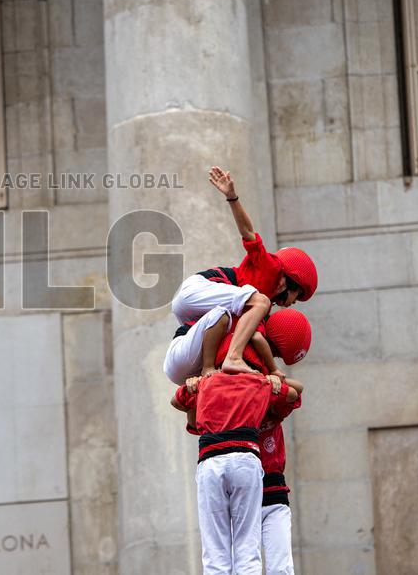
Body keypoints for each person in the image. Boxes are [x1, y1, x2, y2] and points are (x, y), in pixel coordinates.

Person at [175, 309, 310, 574]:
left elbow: (295, 391)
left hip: (269, 488)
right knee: (242, 557)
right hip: (247, 470)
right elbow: (193, 423)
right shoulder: (242, 384)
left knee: (238, 560)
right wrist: (267, 374)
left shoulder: (250, 384)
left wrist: (269, 375)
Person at [164, 166, 317, 383]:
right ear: (290, 281)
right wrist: (232, 197)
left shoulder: (257, 310)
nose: (293, 303)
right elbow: (247, 232)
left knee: (227, 329)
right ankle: (233, 358)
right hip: (196, 290)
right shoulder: (270, 268)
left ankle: (210, 369)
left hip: (191, 333)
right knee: (260, 302)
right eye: (297, 295)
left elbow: (253, 336)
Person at [172, 371, 300, 574]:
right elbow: (190, 414)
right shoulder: (223, 395)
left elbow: (296, 391)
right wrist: (195, 383)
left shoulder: (262, 391)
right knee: (237, 557)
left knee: (279, 567)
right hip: (241, 490)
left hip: (271, 494)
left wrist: (272, 376)